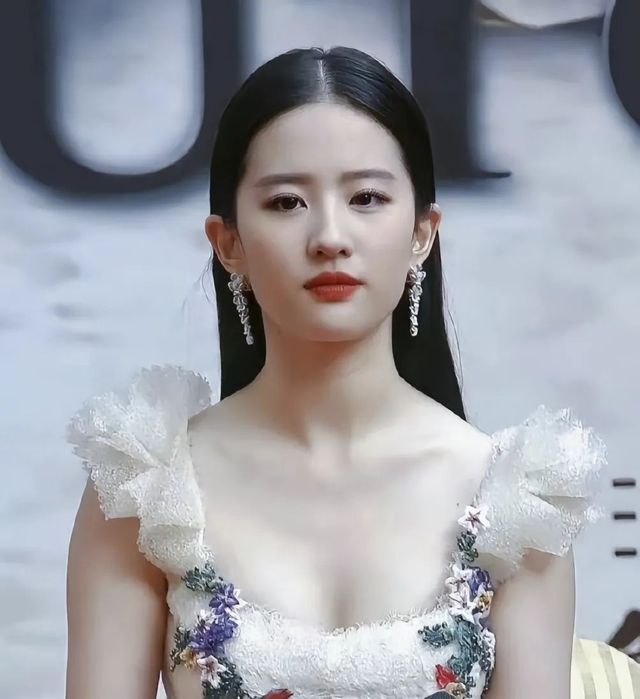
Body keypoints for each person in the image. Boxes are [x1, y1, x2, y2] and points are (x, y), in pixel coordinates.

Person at [64, 46, 607, 699]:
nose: (329, 235)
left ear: (423, 233)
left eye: (367, 197)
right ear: (228, 243)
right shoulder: (145, 487)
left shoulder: (518, 502)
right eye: (287, 202)